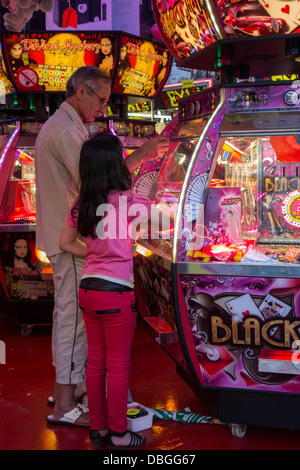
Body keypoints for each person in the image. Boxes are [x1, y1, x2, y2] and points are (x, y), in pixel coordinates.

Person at [35, 65, 169, 428]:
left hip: (72, 237)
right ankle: (64, 405)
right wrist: (142, 158)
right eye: (101, 99)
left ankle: (70, 390)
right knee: (74, 323)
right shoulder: (65, 130)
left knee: (72, 318)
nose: (103, 107)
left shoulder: (67, 125)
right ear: (82, 90)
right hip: (77, 242)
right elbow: (97, 184)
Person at [59, 133, 150, 449]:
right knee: (118, 367)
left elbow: (65, 243)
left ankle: (97, 429)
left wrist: (97, 254)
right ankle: (121, 434)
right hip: (117, 293)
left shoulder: (79, 204)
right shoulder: (128, 201)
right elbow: (165, 223)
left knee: (95, 365)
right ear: (116, 165)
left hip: (89, 290)